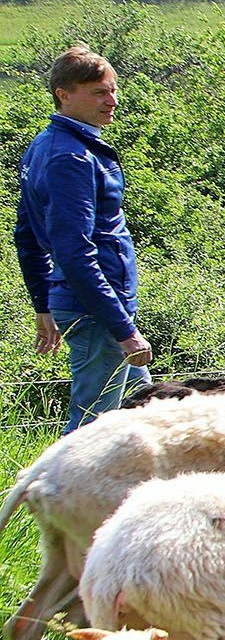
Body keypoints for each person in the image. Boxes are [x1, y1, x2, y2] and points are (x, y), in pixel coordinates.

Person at [14, 45, 152, 433]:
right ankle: (52, 493)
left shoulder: (47, 146)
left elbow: (26, 234)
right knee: (94, 431)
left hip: (98, 304)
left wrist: (45, 304)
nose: (112, 101)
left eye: (112, 90)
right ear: (64, 95)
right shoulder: (70, 157)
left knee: (143, 414)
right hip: (96, 311)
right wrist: (124, 332)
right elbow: (74, 252)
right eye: (99, 93)